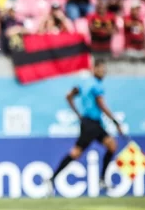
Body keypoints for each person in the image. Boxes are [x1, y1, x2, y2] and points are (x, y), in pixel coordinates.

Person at [46, 59, 124, 195]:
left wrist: (78, 114)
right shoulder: (97, 86)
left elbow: (69, 96)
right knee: (77, 152)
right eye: (100, 69)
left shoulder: (84, 83)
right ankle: (53, 178)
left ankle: (101, 179)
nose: (102, 72)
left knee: (110, 146)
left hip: (90, 123)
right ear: (93, 69)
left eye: (104, 70)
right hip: (91, 124)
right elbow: (101, 105)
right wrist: (116, 122)